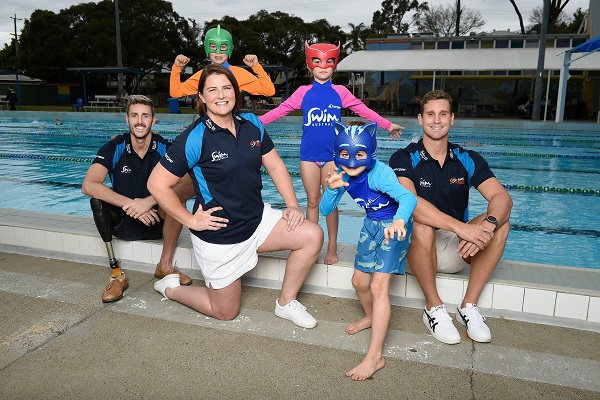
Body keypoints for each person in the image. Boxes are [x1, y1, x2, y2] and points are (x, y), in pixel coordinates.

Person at [148, 64, 324, 328]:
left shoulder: (252, 124)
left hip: (257, 220)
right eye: (212, 90)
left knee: (312, 235)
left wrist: (292, 205)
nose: (221, 95)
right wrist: (191, 221)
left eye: (226, 88)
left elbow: (275, 165)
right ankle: (170, 288)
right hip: (222, 236)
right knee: (225, 311)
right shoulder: (195, 138)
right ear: (202, 98)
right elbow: (156, 184)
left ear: (236, 92)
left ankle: (286, 303)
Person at [260, 41, 404, 266]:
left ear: (334, 65)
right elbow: (281, 110)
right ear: (310, 65)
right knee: (312, 201)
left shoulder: (340, 92)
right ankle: (307, 244)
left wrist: (387, 125)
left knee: (331, 201)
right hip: (308, 155)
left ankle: (332, 246)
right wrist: (254, 124)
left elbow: (362, 110)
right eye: (317, 61)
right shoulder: (303, 92)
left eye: (328, 62)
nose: (323, 66)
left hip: (331, 157)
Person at [389, 90, 512, 344]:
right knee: (421, 224)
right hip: (415, 249)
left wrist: (487, 226)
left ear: (452, 118)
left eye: (443, 114)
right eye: (430, 114)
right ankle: (433, 308)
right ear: (421, 119)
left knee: (501, 223)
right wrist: (462, 228)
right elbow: (409, 203)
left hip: (456, 247)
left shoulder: (467, 158)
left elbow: (502, 199)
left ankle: (468, 306)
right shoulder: (403, 158)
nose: (437, 120)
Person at [320, 120, 416, 381]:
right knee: (359, 282)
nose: (352, 162)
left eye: (359, 155)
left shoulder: (379, 174)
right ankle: (372, 316)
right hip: (371, 225)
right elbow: (325, 210)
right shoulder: (341, 172)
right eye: (345, 155)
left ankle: (375, 357)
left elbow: (408, 198)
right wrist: (331, 189)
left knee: (378, 287)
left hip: (395, 225)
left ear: (370, 151)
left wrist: (398, 221)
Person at [81, 95, 193, 303]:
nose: (140, 121)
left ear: (153, 119)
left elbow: (190, 183)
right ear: (127, 119)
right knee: (96, 200)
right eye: (134, 115)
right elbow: (88, 185)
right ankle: (116, 274)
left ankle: (165, 265)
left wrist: (149, 201)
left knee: (178, 196)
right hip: (124, 223)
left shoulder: (164, 148)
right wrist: (130, 204)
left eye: (145, 116)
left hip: (158, 222)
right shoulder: (114, 147)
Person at [170, 24, 275, 99]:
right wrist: (176, 68)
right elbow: (175, 92)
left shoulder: (239, 74)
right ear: (207, 48)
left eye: (223, 47)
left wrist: (256, 67)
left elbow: (269, 91)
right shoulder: (201, 76)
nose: (218, 51)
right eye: (213, 46)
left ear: (230, 48)